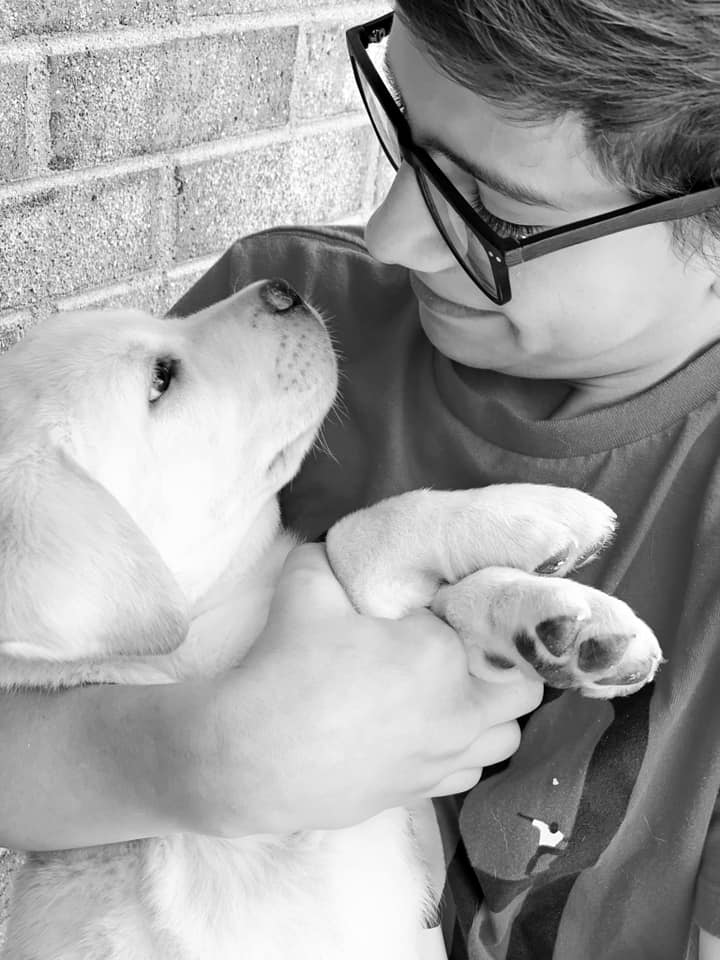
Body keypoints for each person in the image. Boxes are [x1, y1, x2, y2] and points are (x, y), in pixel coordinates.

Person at [172, 2, 720, 958]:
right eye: (407, 137)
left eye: (494, 211)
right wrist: (199, 765)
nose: (388, 238)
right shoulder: (276, 318)